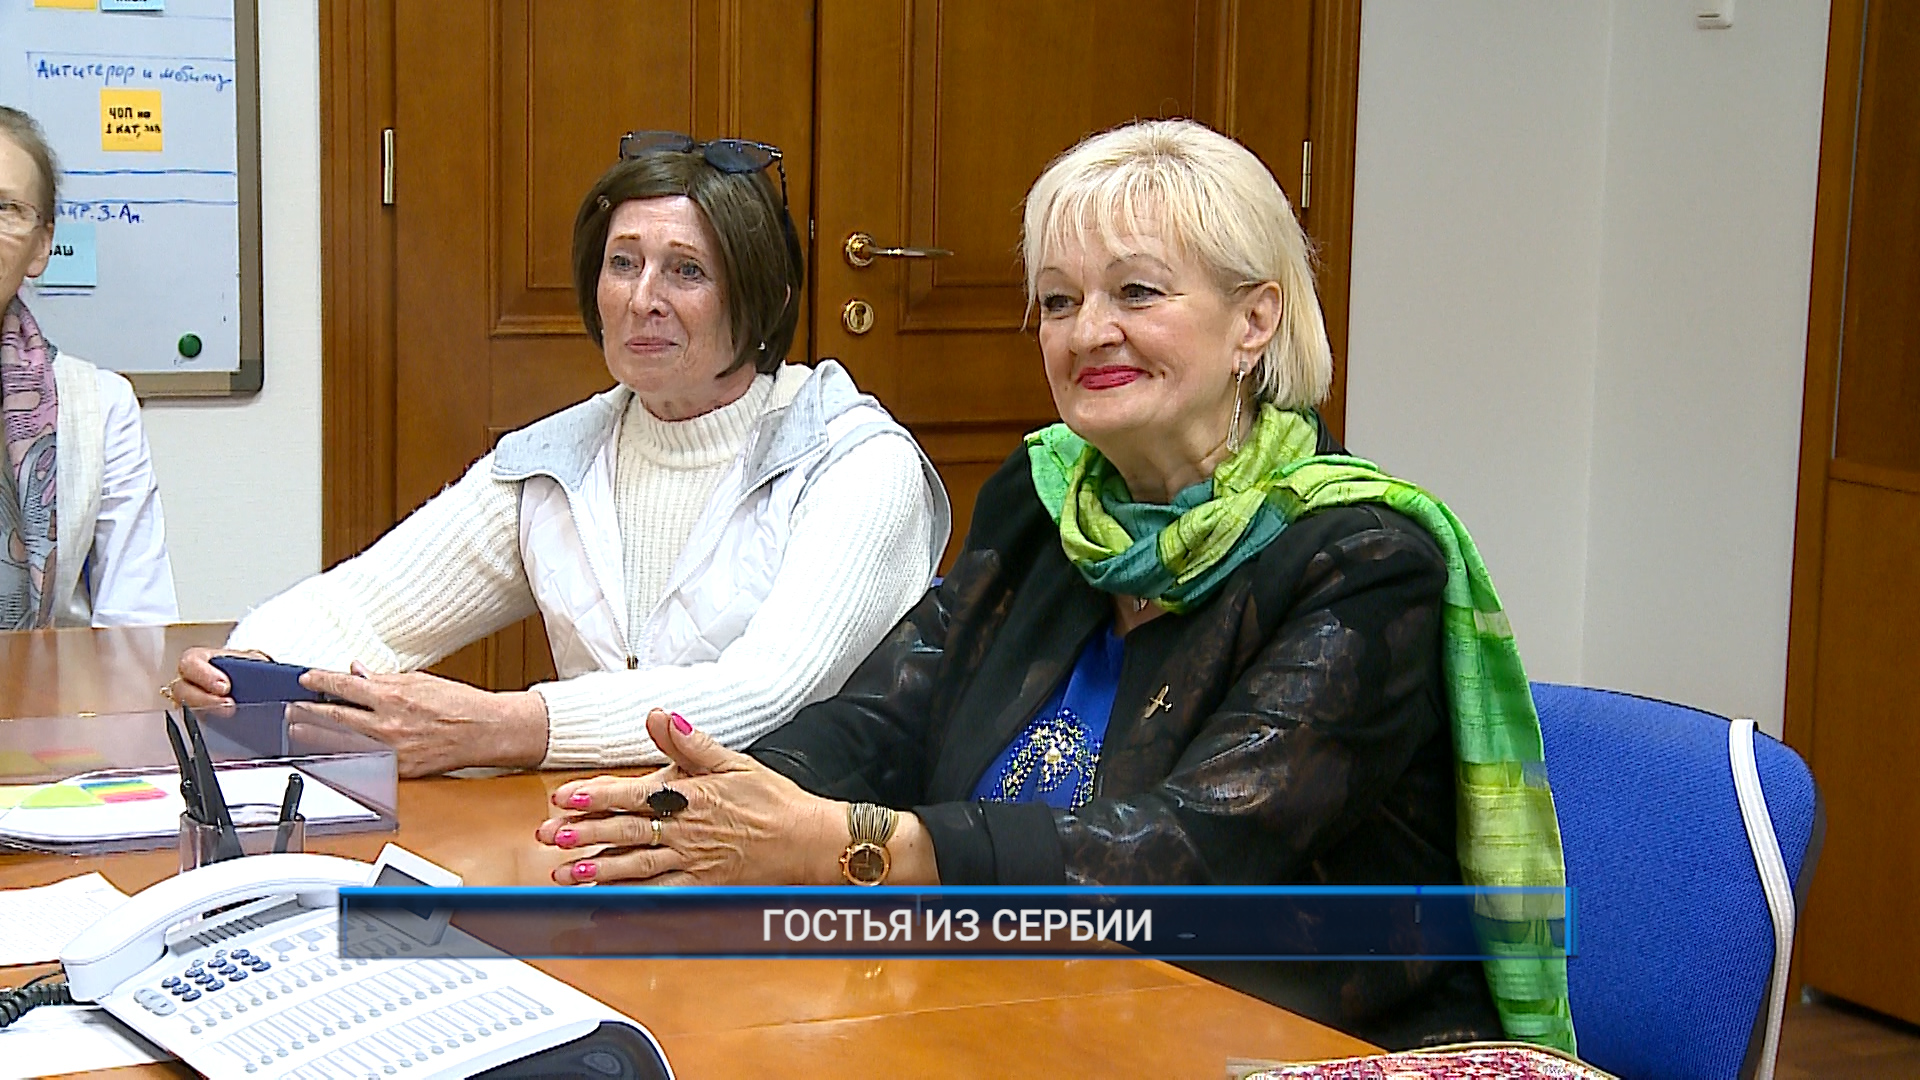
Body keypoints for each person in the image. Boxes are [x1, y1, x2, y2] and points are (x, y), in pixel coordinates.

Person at [533, 120, 1575, 1053]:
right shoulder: (1048, 503)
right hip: (1020, 996)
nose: (1088, 332)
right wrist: (720, 798)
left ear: (1255, 321)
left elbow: (1184, 858)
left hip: (1294, 1037)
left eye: (1138, 292)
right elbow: (892, 712)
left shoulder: (1364, 561)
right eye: (1061, 301)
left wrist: (852, 844)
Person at [173, 131, 949, 776]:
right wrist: (248, 670)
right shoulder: (560, 457)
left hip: (809, 862)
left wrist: (506, 726)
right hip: (603, 837)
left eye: (686, 271)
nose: (642, 299)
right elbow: (364, 607)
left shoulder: (855, 462)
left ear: (767, 300)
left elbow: (768, 689)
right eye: (622, 263)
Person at [0, 107, 178, 630]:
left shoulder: (99, 408)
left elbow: (137, 626)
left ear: (42, 247)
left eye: (6, 208)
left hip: (42, 683)